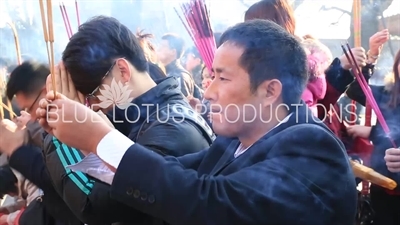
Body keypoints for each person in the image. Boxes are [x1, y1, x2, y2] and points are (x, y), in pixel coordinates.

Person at [37, 19, 357, 225]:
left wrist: (97, 137)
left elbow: (205, 200)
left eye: (222, 78)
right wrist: (70, 135)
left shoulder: (311, 147)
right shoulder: (234, 141)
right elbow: (168, 173)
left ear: (270, 90)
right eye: (210, 76)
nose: (208, 91)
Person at [33, 15, 213, 225]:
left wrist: (62, 136)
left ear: (123, 70)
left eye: (92, 95)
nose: (95, 106)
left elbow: (97, 205)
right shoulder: (142, 118)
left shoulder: (173, 128)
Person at [346, 48, 400, 225]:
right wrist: (371, 59)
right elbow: (356, 90)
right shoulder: (388, 92)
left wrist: (371, 131)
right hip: (383, 186)